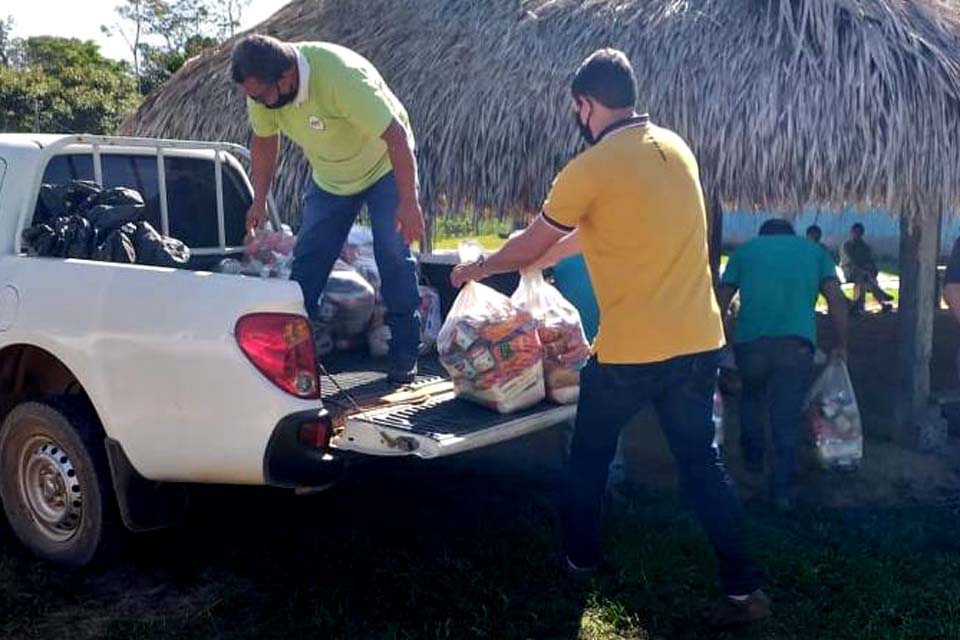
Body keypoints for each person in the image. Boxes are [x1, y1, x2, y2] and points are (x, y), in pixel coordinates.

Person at [450, 48, 768, 628]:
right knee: (702, 467)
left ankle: (578, 563)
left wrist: (481, 267)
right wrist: (539, 261)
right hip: (699, 342)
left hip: (631, 355)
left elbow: (532, 239)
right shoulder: (676, 149)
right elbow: (591, 231)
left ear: (585, 104)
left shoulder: (590, 168)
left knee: (588, 458)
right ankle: (745, 590)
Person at [231, 34, 424, 383]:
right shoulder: (262, 92)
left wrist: (409, 204)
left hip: (384, 166)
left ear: (287, 76)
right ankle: (294, 355)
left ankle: (405, 352)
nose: (257, 102)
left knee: (392, 252)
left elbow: (396, 138)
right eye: (252, 96)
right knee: (309, 260)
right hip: (331, 178)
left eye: (261, 95)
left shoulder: (342, 77)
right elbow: (264, 142)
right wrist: (258, 200)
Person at [718, 219, 848, 509]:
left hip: (750, 343)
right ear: (792, 234)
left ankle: (752, 468)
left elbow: (722, 298)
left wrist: (720, 338)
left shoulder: (745, 252)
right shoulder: (814, 252)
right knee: (786, 415)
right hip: (796, 345)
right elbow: (837, 300)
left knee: (751, 400)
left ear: (762, 234)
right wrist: (841, 343)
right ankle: (781, 491)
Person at [840, 223, 893, 314]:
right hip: (850, 270)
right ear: (852, 232)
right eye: (856, 232)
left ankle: (859, 305)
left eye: (859, 233)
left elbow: (870, 260)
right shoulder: (847, 246)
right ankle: (881, 296)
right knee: (864, 276)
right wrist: (865, 267)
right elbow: (852, 260)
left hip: (864, 272)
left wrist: (872, 268)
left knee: (863, 278)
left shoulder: (865, 247)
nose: (857, 235)